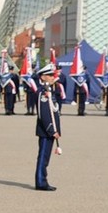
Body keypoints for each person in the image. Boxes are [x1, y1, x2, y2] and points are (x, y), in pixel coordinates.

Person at [34, 64, 61, 192]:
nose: (52, 77)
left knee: (46, 157)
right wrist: (52, 130)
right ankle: (40, 181)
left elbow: (54, 111)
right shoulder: (42, 92)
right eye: (49, 75)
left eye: (52, 75)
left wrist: (57, 130)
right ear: (43, 77)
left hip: (51, 130)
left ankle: (43, 179)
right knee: (43, 156)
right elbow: (43, 114)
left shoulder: (49, 90)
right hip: (46, 131)